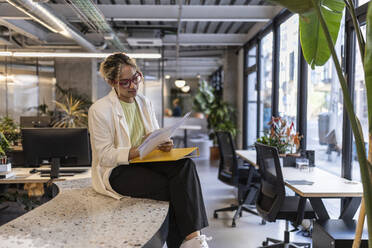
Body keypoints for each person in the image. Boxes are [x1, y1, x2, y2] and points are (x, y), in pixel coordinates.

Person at [88, 52, 210, 248]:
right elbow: (104, 156)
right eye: (125, 82)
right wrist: (135, 151)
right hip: (118, 171)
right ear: (111, 82)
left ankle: (192, 239)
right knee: (175, 188)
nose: (133, 86)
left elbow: (154, 133)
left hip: (147, 161)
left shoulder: (144, 101)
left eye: (136, 78)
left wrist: (164, 143)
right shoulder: (99, 110)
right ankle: (191, 241)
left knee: (185, 165)